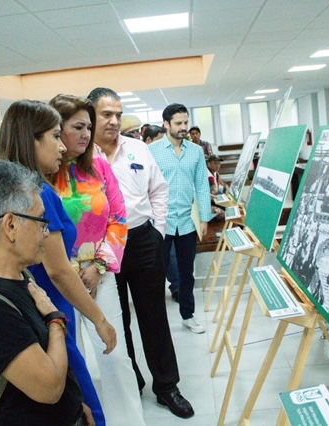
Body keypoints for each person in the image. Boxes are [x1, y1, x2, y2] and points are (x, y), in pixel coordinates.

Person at [0, 99, 118, 426]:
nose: (62, 147)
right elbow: (59, 270)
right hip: (50, 310)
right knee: (84, 407)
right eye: (54, 137)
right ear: (30, 140)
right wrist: (100, 320)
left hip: (25, 306)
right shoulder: (38, 194)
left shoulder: (2, 186)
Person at [88, 87, 195, 419]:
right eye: (107, 114)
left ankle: (167, 387)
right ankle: (130, 377)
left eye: (118, 114)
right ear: (90, 115)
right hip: (104, 249)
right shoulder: (81, 156)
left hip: (143, 239)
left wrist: (158, 232)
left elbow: (159, 190)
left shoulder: (137, 148)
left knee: (154, 316)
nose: (114, 121)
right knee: (117, 318)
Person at [0, 160, 88, 425]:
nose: (47, 231)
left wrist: (76, 406)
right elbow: (49, 388)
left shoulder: (21, 275)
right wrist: (55, 319)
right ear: (10, 226)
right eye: (41, 220)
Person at [49, 94, 145, 425]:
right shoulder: (42, 172)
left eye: (89, 126)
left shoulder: (98, 166)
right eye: (78, 127)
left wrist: (99, 266)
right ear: (55, 128)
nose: (87, 134)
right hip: (52, 279)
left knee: (115, 356)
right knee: (67, 360)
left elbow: (119, 218)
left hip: (97, 274)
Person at [149, 104, 213, 334]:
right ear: (166, 124)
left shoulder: (195, 152)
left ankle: (189, 315)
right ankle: (156, 321)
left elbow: (202, 187)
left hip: (186, 222)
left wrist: (205, 217)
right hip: (159, 224)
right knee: (156, 274)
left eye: (186, 122)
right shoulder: (153, 151)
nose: (184, 127)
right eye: (178, 123)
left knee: (187, 273)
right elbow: (146, 187)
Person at [207, 155, 227, 221]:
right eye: (215, 163)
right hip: (205, 205)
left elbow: (222, 186)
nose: (217, 165)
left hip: (214, 201)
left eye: (219, 163)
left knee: (231, 209)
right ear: (208, 163)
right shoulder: (204, 175)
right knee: (223, 214)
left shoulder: (216, 174)